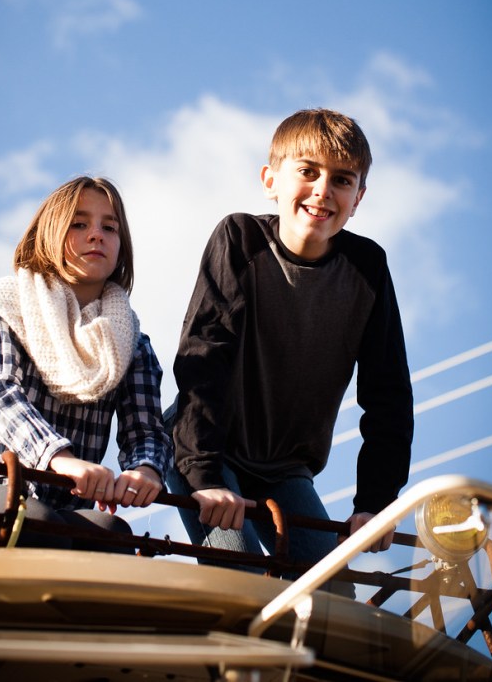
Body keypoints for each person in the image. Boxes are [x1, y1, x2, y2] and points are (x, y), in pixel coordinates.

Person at [165, 108, 413, 581]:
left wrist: (376, 502)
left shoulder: (368, 269)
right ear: (270, 180)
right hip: (209, 446)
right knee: (240, 576)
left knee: (332, 595)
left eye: (342, 180)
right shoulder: (240, 240)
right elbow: (203, 357)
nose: (323, 190)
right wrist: (204, 475)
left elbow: (388, 395)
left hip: (285, 467)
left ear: (358, 198)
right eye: (308, 172)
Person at [0, 175, 171, 551]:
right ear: (49, 235)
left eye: (109, 227)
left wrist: (145, 470)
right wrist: (60, 458)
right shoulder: (11, 303)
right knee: (32, 520)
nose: (96, 234)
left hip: (56, 508)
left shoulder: (132, 343)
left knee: (113, 536)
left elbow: (146, 431)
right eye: (79, 224)